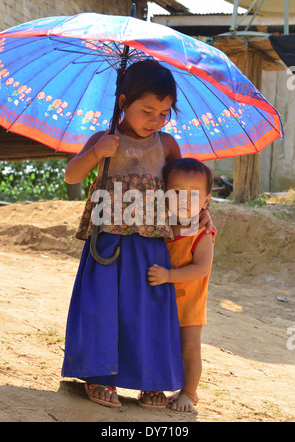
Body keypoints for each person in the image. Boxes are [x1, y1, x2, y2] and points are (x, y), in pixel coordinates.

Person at [62, 60, 214, 409]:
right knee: (102, 306)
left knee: (148, 311)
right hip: (107, 243)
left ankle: (152, 381)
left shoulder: (168, 146)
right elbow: (72, 175)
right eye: (147, 110)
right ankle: (100, 378)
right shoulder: (104, 139)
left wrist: (204, 212)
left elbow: (187, 187)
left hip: (150, 246)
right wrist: (96, 153)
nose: (155, 120)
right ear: (122, 102)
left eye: (164, 113)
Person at [147, 158, 215, 412]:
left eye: (194, 194)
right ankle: (157, 385)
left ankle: (188, 392)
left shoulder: (202, 232)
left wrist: (167, 277)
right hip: (163, 303)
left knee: (189, 347)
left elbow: (201, 269)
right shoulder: (160, 227)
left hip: (190, 304)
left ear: (206, 201)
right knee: (161, 343)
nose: (185, 199)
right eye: (176, 192)